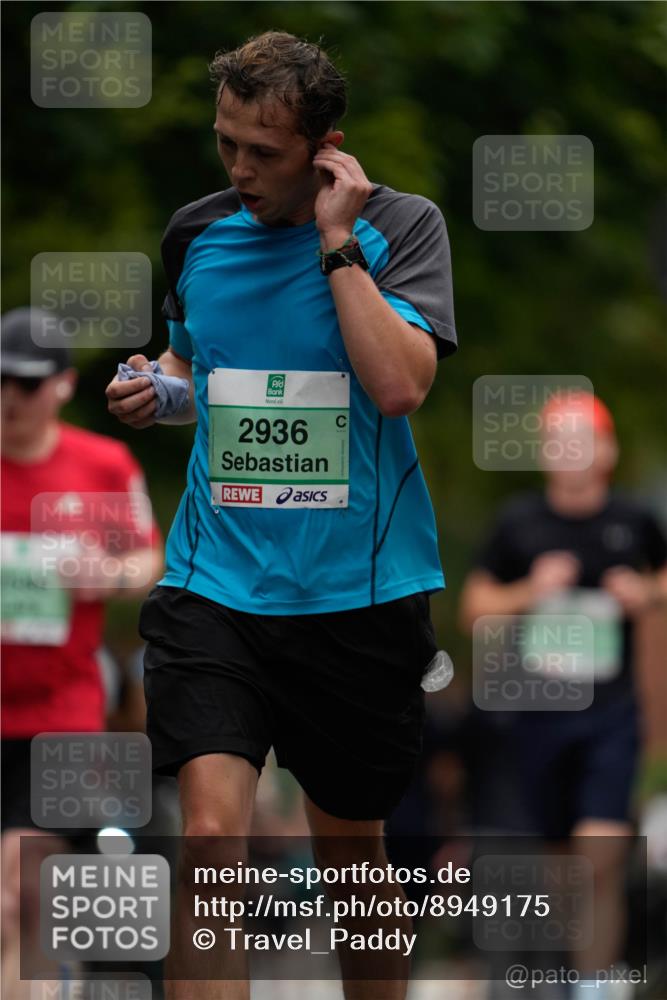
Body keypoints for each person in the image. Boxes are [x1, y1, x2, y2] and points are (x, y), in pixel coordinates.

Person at [106, 30, 456, 1000]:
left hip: (357, 595)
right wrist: (155, 390)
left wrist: (337, 244)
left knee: (349, 852)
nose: (239, 169)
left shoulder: (402, 228)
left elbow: (397, 386)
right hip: (216, 585)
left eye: (263, 151)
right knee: (212, 835)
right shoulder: (196, 232)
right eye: (227, 144)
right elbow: (195, 367)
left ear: (324, 148)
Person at [459, 392, 667, 995]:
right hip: (538, 717)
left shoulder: (634, 521)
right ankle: (563, 976)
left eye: (583, 439)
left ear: (607, 450)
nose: (571, 452)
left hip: (611, 716)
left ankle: (596, 987)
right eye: (559, 440)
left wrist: (646, 594)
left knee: (598, 853)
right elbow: (474, 608)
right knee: (557, 866)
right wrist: (531, 591)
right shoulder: (518, 524)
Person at [1, 307, 163, 997]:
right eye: (1, 381)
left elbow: (149, 560)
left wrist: (107, 573)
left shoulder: (100, 466)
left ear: (64, 385)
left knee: (20, 881)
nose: (10, 398)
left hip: (59, 716)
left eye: (27, 384)